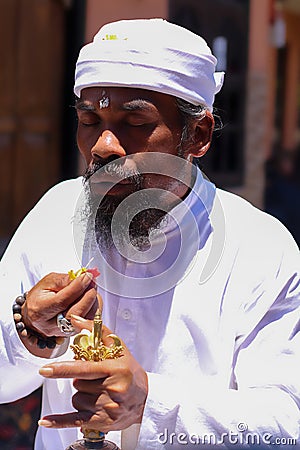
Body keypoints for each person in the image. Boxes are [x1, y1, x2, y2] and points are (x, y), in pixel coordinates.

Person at [0, 18, 299, 450]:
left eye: (134, 121)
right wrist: (30, 331)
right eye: (89, 118)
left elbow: (288, 423)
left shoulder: (260, 248)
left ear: (197, 135)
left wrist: (151, 403)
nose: (104, 145)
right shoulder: (57, 211)